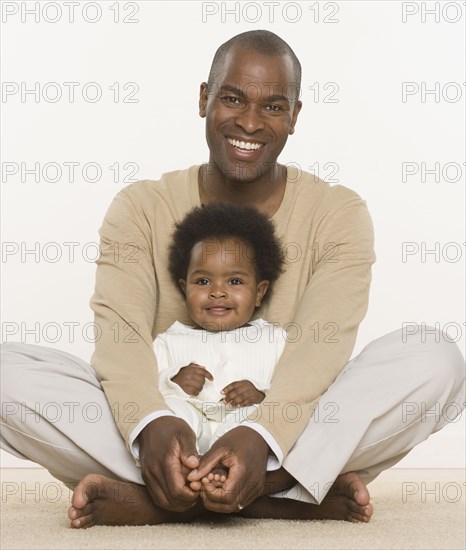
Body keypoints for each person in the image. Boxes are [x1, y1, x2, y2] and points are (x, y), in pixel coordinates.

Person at [1, 30, 464, 528]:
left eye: (273, 106)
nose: (249, 122)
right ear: (204, 99)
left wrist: (263, 437)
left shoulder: (337, 212)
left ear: (295, 116)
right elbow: (121, 336)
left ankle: (223, 490)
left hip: (283, 432)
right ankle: (276, 493)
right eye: (232, 98)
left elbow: (320, 348)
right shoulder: (141, 206)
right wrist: (153, 423)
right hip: (158, 436)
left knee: (434, 358)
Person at [156, 203, 286, 462]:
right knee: (172, 413)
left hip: (246, 436)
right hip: (190, 427)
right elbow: (145, 392)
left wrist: (260, 394)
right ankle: (185, 462)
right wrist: (173, 381)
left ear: (259, 292)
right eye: (203, 281)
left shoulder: (274, 340)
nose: (217, 292)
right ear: (185, 289)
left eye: (235, 281)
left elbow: (292, 392)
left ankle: (224, 464)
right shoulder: (169, 341)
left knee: (253, 418)